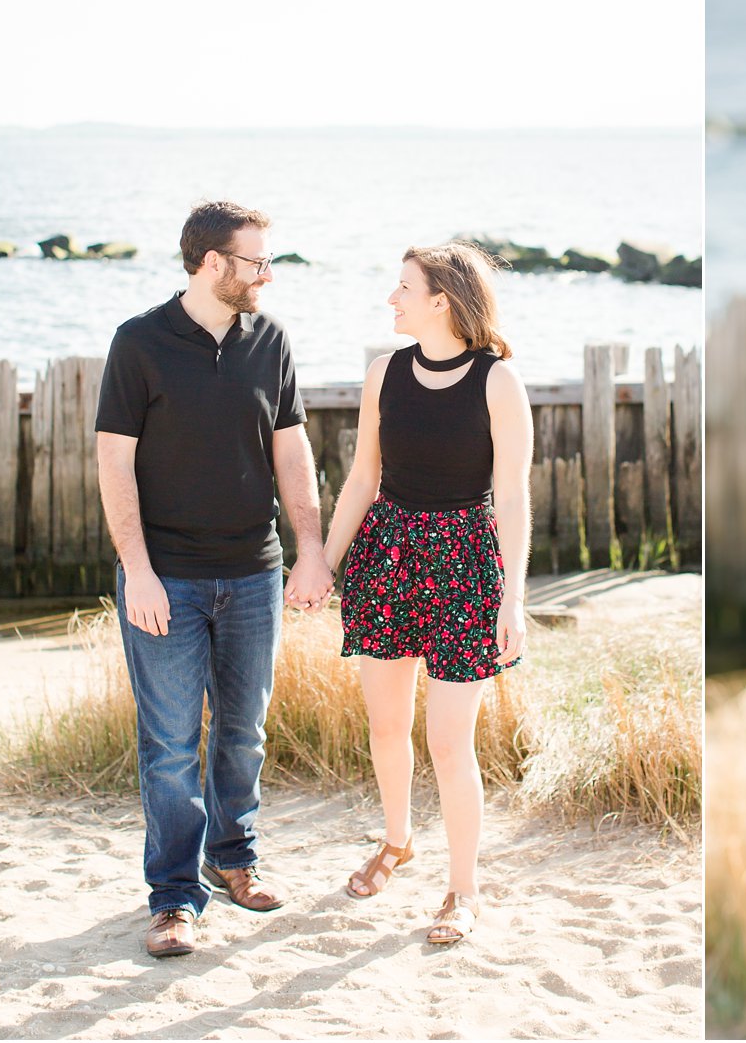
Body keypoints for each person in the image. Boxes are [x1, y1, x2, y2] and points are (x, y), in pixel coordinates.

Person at [96, 201, 334, 959]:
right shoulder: (138, 343)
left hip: (253, 574)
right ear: (210, 264)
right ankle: (172, 897)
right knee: (168, 742)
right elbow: (114, 463)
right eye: (255, 261)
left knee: (243, 732)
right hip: (165, 578)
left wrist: (310, 547)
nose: (267, 274)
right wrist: (138, 572)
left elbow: (292, 452)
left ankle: (233, 856)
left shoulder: (270, 340)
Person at [322, 241, 533, 945]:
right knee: (386, 727)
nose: (392, 298)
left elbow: (512, 497)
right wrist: (323, 562)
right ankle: (397, 840)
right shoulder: (384, 374)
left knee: (448, 741)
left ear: (441, 299)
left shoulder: (497, 381)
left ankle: (462, 891)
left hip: (465, 566)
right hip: (387, 555)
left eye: (404, 287)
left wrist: (513, 598)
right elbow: (361, 479)